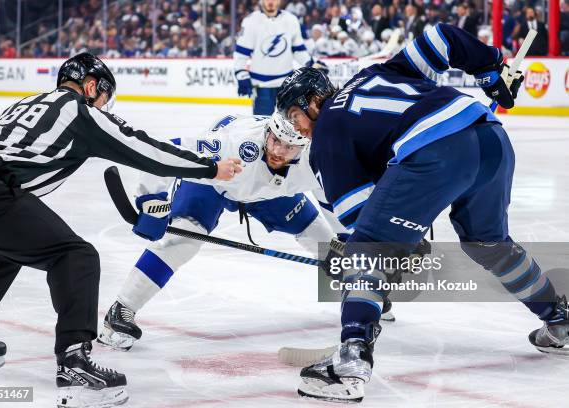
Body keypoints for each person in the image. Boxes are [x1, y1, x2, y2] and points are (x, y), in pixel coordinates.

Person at [276, 24, 568, 402]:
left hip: (436, 152)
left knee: (366, 249)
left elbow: (361, 222)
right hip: (490, 136)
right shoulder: (374, 73)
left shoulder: (327, 136)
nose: (296, 130)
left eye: (295, 117)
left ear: (313, 102)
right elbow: (442, 38)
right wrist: (492, 69)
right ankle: (559, 321)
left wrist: (395, 251)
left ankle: (350, 361)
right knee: (489, 244)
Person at [0, 52, 241, 407]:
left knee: (4, 248)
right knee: (77, 256)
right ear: (91, 86)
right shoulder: (81, 111)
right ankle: (74, 363)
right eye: (105, 98)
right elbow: (142, 148)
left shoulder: (31, 101)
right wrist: (210, 169)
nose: (105, 107)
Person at [97, 112, 397, 350]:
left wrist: (360, 237)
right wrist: (151, 197)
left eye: (289, 146)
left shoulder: (312, 159)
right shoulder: (236, 142)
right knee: (180, 241)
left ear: (303, 146)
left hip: (271, 193)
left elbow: (334, 200)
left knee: (324, 239)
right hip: (216, 179)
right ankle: (120, 311)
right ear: (267, 132)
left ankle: (363, 291)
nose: (278, 151)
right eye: (275, 140)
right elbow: (170, 148)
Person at [233, 0, 311, 115]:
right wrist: (241, 75)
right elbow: (241, 54)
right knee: (262, 125)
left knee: (289, 126)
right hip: (261, 84)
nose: (270, 1)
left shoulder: (290, 20)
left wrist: (310, 63)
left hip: (286, 83)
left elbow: (298, 50)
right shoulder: (251, 21)